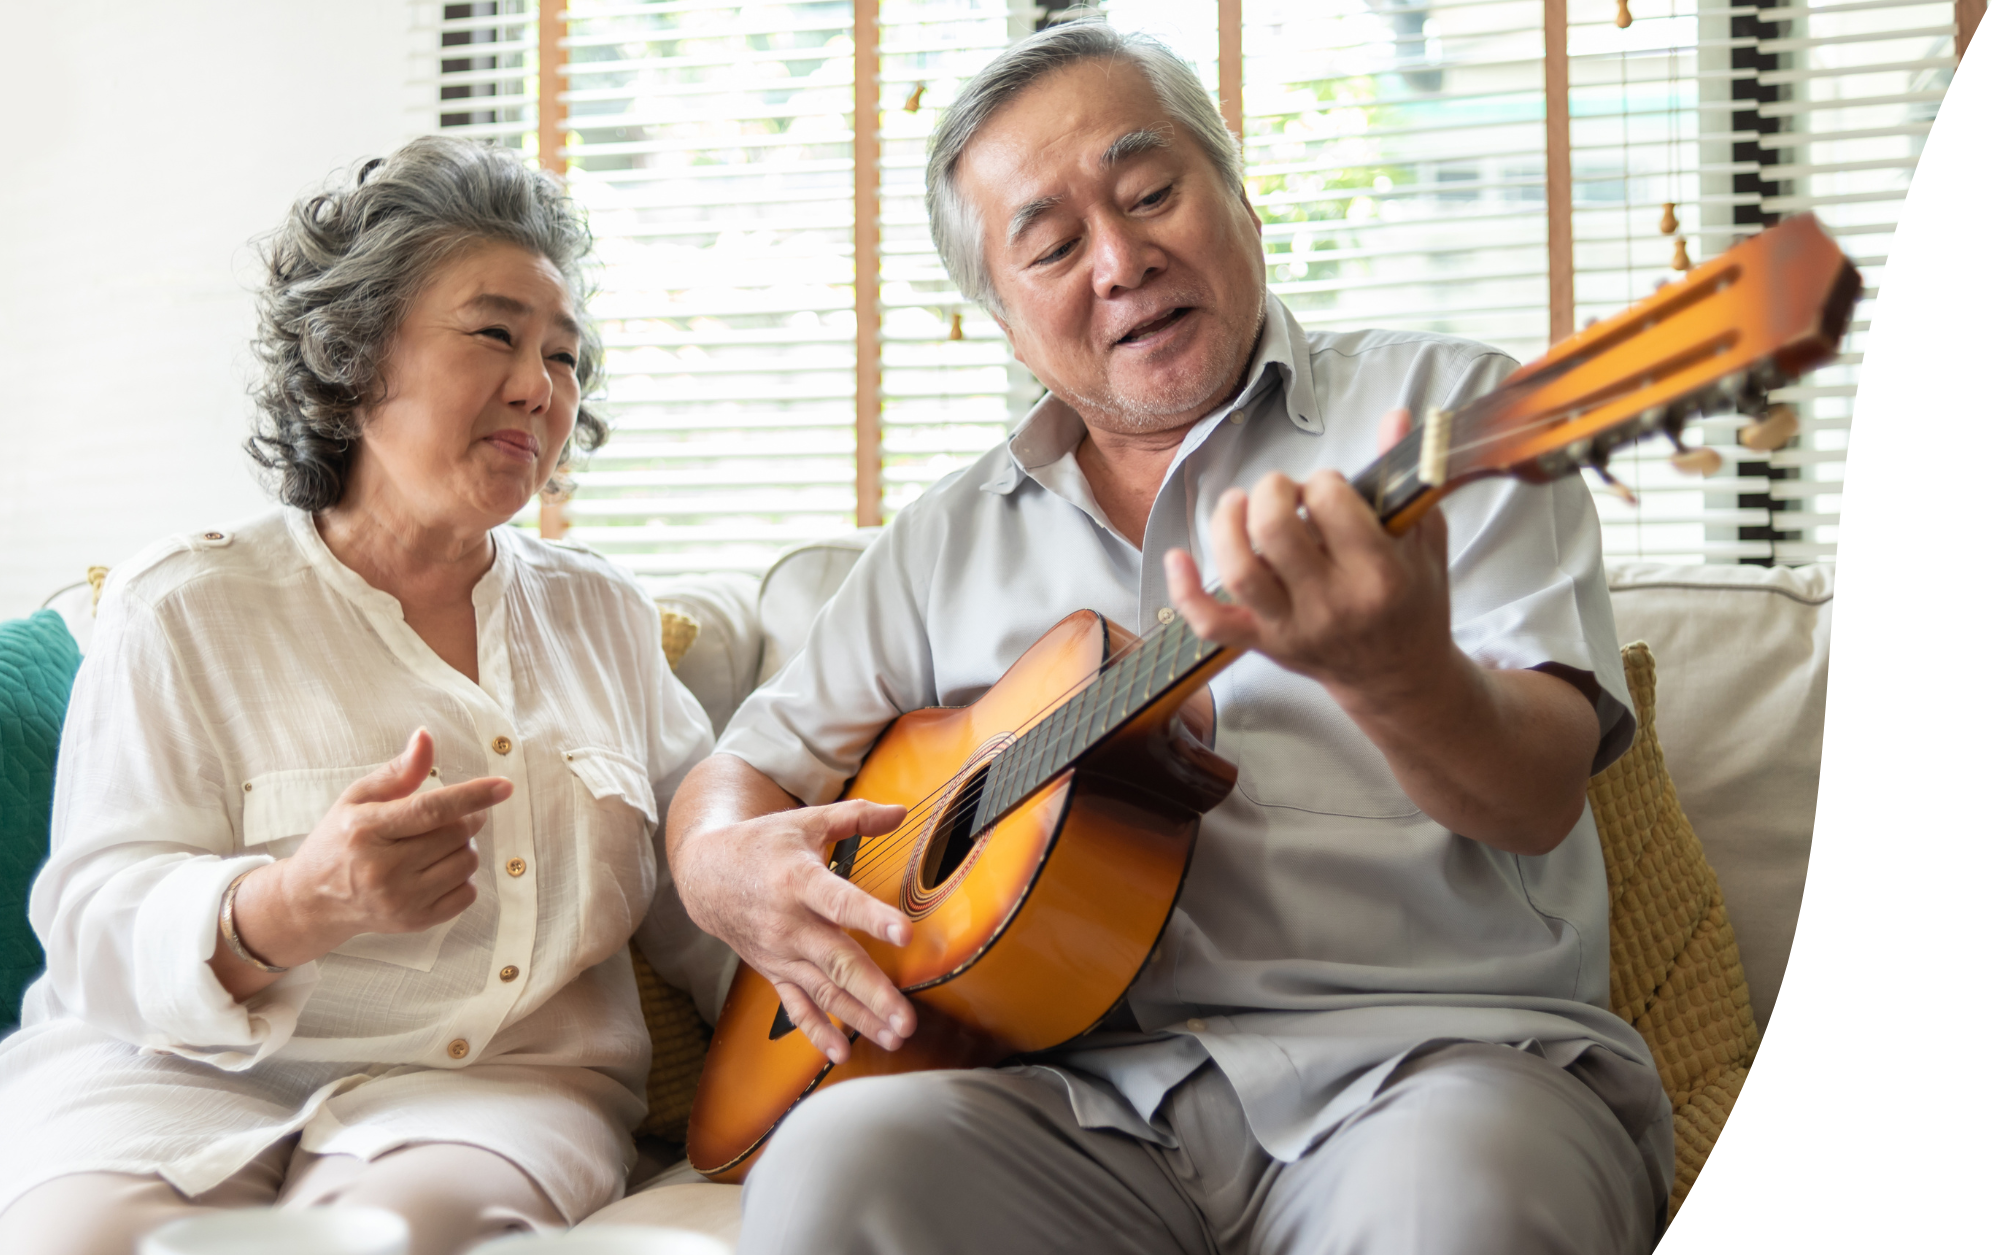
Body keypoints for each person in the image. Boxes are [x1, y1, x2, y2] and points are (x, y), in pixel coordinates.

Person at [651, 21, 1675, 1255]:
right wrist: (720, 870)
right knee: (832, 1166)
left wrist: (1400, 674)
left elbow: (1536, 793)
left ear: (1238, 199)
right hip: (1077, 1109)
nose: (1122, 259)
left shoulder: (1454, 415)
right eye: (1052, 244)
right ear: (1004, 321)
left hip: (1432, 1067)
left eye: (1150, 194)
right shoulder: (940, 541)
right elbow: (740, 768)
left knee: (1458, 1204)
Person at [0, 137, 731, 1255]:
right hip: (167, 1075)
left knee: (393, 1235)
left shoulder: (601, 617)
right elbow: (95, 920)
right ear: (350, 357)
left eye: (564, 356)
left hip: (492, 1090)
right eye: (494, 332)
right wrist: (296, 901)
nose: (539, 388)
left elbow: (707, 886)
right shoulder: (184, 603)